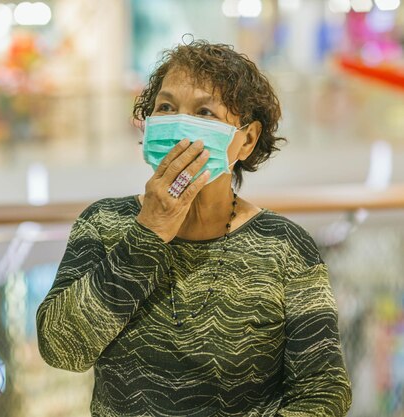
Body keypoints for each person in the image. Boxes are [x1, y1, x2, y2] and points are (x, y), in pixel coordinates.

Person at [36, 39, 352, 416]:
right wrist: (147, 232)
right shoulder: (104, 223)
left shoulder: (285, 248)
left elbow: (323, 390)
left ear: (247, 139)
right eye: (166, 107)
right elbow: (61, 348)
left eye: (204, 113)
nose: (179, 126)